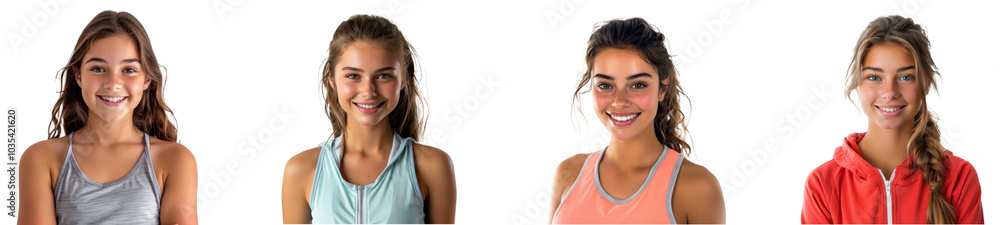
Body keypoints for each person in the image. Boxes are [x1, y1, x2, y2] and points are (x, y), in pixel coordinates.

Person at [19, 10, 198, 225]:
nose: (113, 83)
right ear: (78, 76)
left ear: (147, 79)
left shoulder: (175, 160)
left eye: (129, 69)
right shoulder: (41, 159)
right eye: (98, 68)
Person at [801, 15, 984, 224]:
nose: (889, 92)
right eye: (874, 77)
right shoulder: (822, 184)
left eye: (905, 77)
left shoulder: (959, 178)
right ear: (858, 83)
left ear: (926, 83)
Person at [281, 14, 457, 224]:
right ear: (332, 81)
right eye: (353, 76)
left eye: (384, 76)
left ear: (403, 81)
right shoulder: (301, 170)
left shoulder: (432, 166)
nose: (368, 91)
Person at [550, 17, 725, 224]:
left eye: (638, 85)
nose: (619, 101)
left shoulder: (696, 188)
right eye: (605, 85)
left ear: (662, 88)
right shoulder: (568, 174)